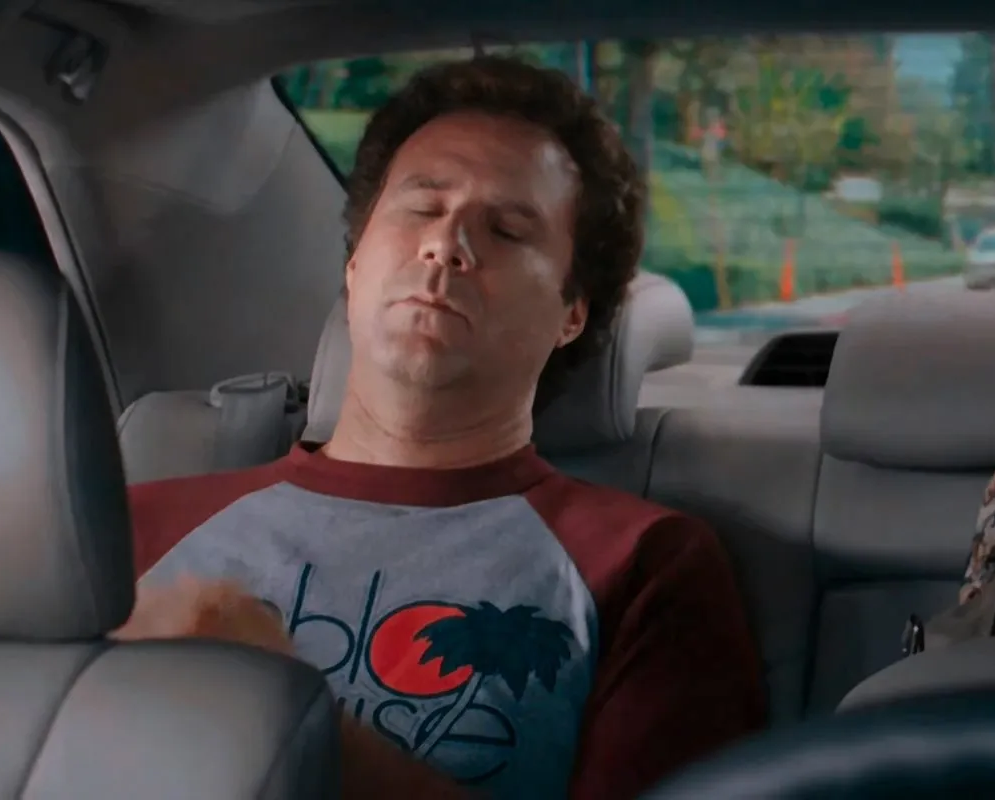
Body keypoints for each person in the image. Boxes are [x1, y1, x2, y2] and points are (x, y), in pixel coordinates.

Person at [117, 56, 765, 800]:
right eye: (422, 208)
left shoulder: (643, 565)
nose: (447, 244)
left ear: (572, 313)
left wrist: (292, 726)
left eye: (507, 230)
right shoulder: (126, 530)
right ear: (355, 264)